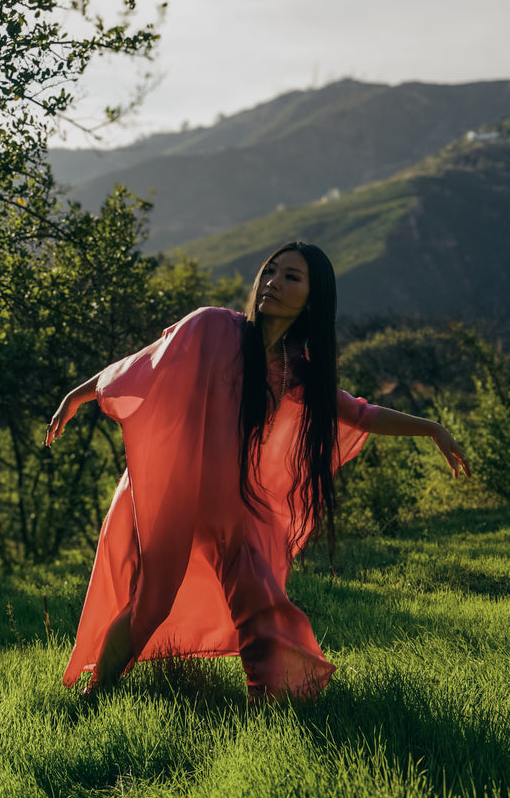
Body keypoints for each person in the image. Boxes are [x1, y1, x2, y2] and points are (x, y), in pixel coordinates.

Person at [44, 242, 470, 702]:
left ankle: (273, 701)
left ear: (313, 297)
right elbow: (143, 365)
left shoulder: (298, 372)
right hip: (173, 489)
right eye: (270, 271)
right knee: (153, 600)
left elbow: (360, 413)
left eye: (291, 277)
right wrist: (79, 395)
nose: (273, 282)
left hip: (231, 505)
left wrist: (430, 428)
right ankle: (95, 694)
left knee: (260, 603)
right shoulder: (213, 327)